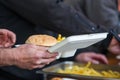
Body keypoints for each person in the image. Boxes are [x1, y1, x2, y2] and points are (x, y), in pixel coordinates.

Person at [0, 0, 120, 80]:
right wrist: (105, 38)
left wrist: (71, 54)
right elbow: (50, 12)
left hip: (38, 69)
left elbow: (46, 27)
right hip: (12, 73)